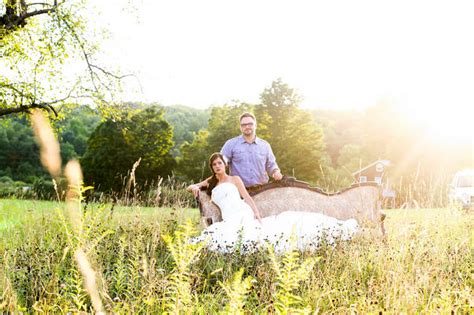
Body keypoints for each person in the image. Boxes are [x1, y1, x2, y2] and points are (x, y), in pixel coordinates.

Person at [187, 153, 358, 254]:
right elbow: (191, 186)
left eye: (220, 163)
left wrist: (256, 213)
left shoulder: (234, 179)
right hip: (228, 218)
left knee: (260, 234)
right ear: (212, 167)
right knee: (221, 236)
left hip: (242, 213)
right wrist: (195, 187)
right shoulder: (211, 183)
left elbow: (247, 197)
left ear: (225, 165)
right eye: (214, 164)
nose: (218, 166)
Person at [220, 112, 283, 187]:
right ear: (240, 127)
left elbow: (271, 165)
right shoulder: (230, 144)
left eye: (250, 124)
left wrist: (275, 172)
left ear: (255, 125)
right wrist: (224, 163)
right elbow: (221, 161)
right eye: (243, 125)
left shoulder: (265, 145)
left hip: (263, 190)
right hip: (239, 191)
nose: (247, 127)